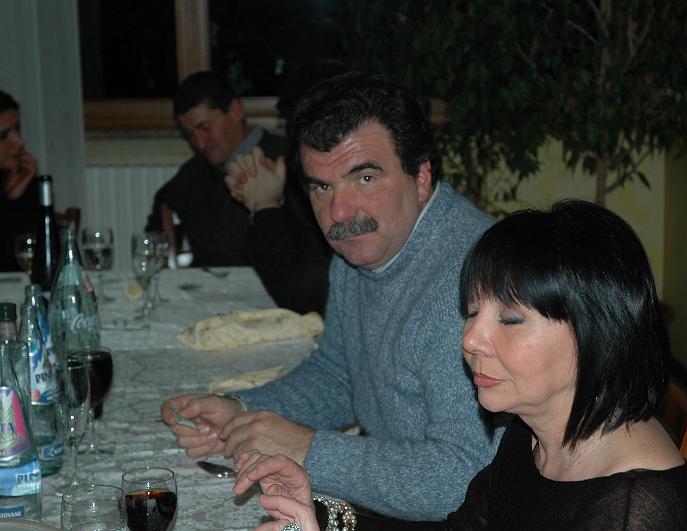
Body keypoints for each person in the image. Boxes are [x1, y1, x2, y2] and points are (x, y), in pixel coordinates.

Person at [231, 200, 687, 530]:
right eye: (471, 312)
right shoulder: (531, 437)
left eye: (510, 319)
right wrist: (324, 518)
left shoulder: (631, 514)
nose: (469, 339)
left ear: (596, 332)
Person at [161, 72, 502, 520]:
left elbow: (460, 479)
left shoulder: (468, 285)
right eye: (322, 186)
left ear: (421, 177)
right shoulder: (361, 253)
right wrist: (243, 410)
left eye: (364, 178)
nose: (339, 213)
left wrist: (306, 448)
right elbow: (340, 375)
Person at [145, 71, 329, 313]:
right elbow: (163, 208)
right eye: (190, 134)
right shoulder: (195, 171)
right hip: (208, 300)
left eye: (205, 128)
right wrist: (169, 252)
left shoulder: (288, 162)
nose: (200, 143)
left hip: (277, 300)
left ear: (235, 111)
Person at [224, 59, 349, 314]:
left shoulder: (341, 188)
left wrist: (264, 207)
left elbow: (307, 294)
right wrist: (271, 199)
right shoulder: (299, 174)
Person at [0, 89, 39, 272]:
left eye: (17, 129)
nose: (19, 141)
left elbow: (41, 257)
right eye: (4, 135)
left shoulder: (21, 177)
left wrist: (15, 198)